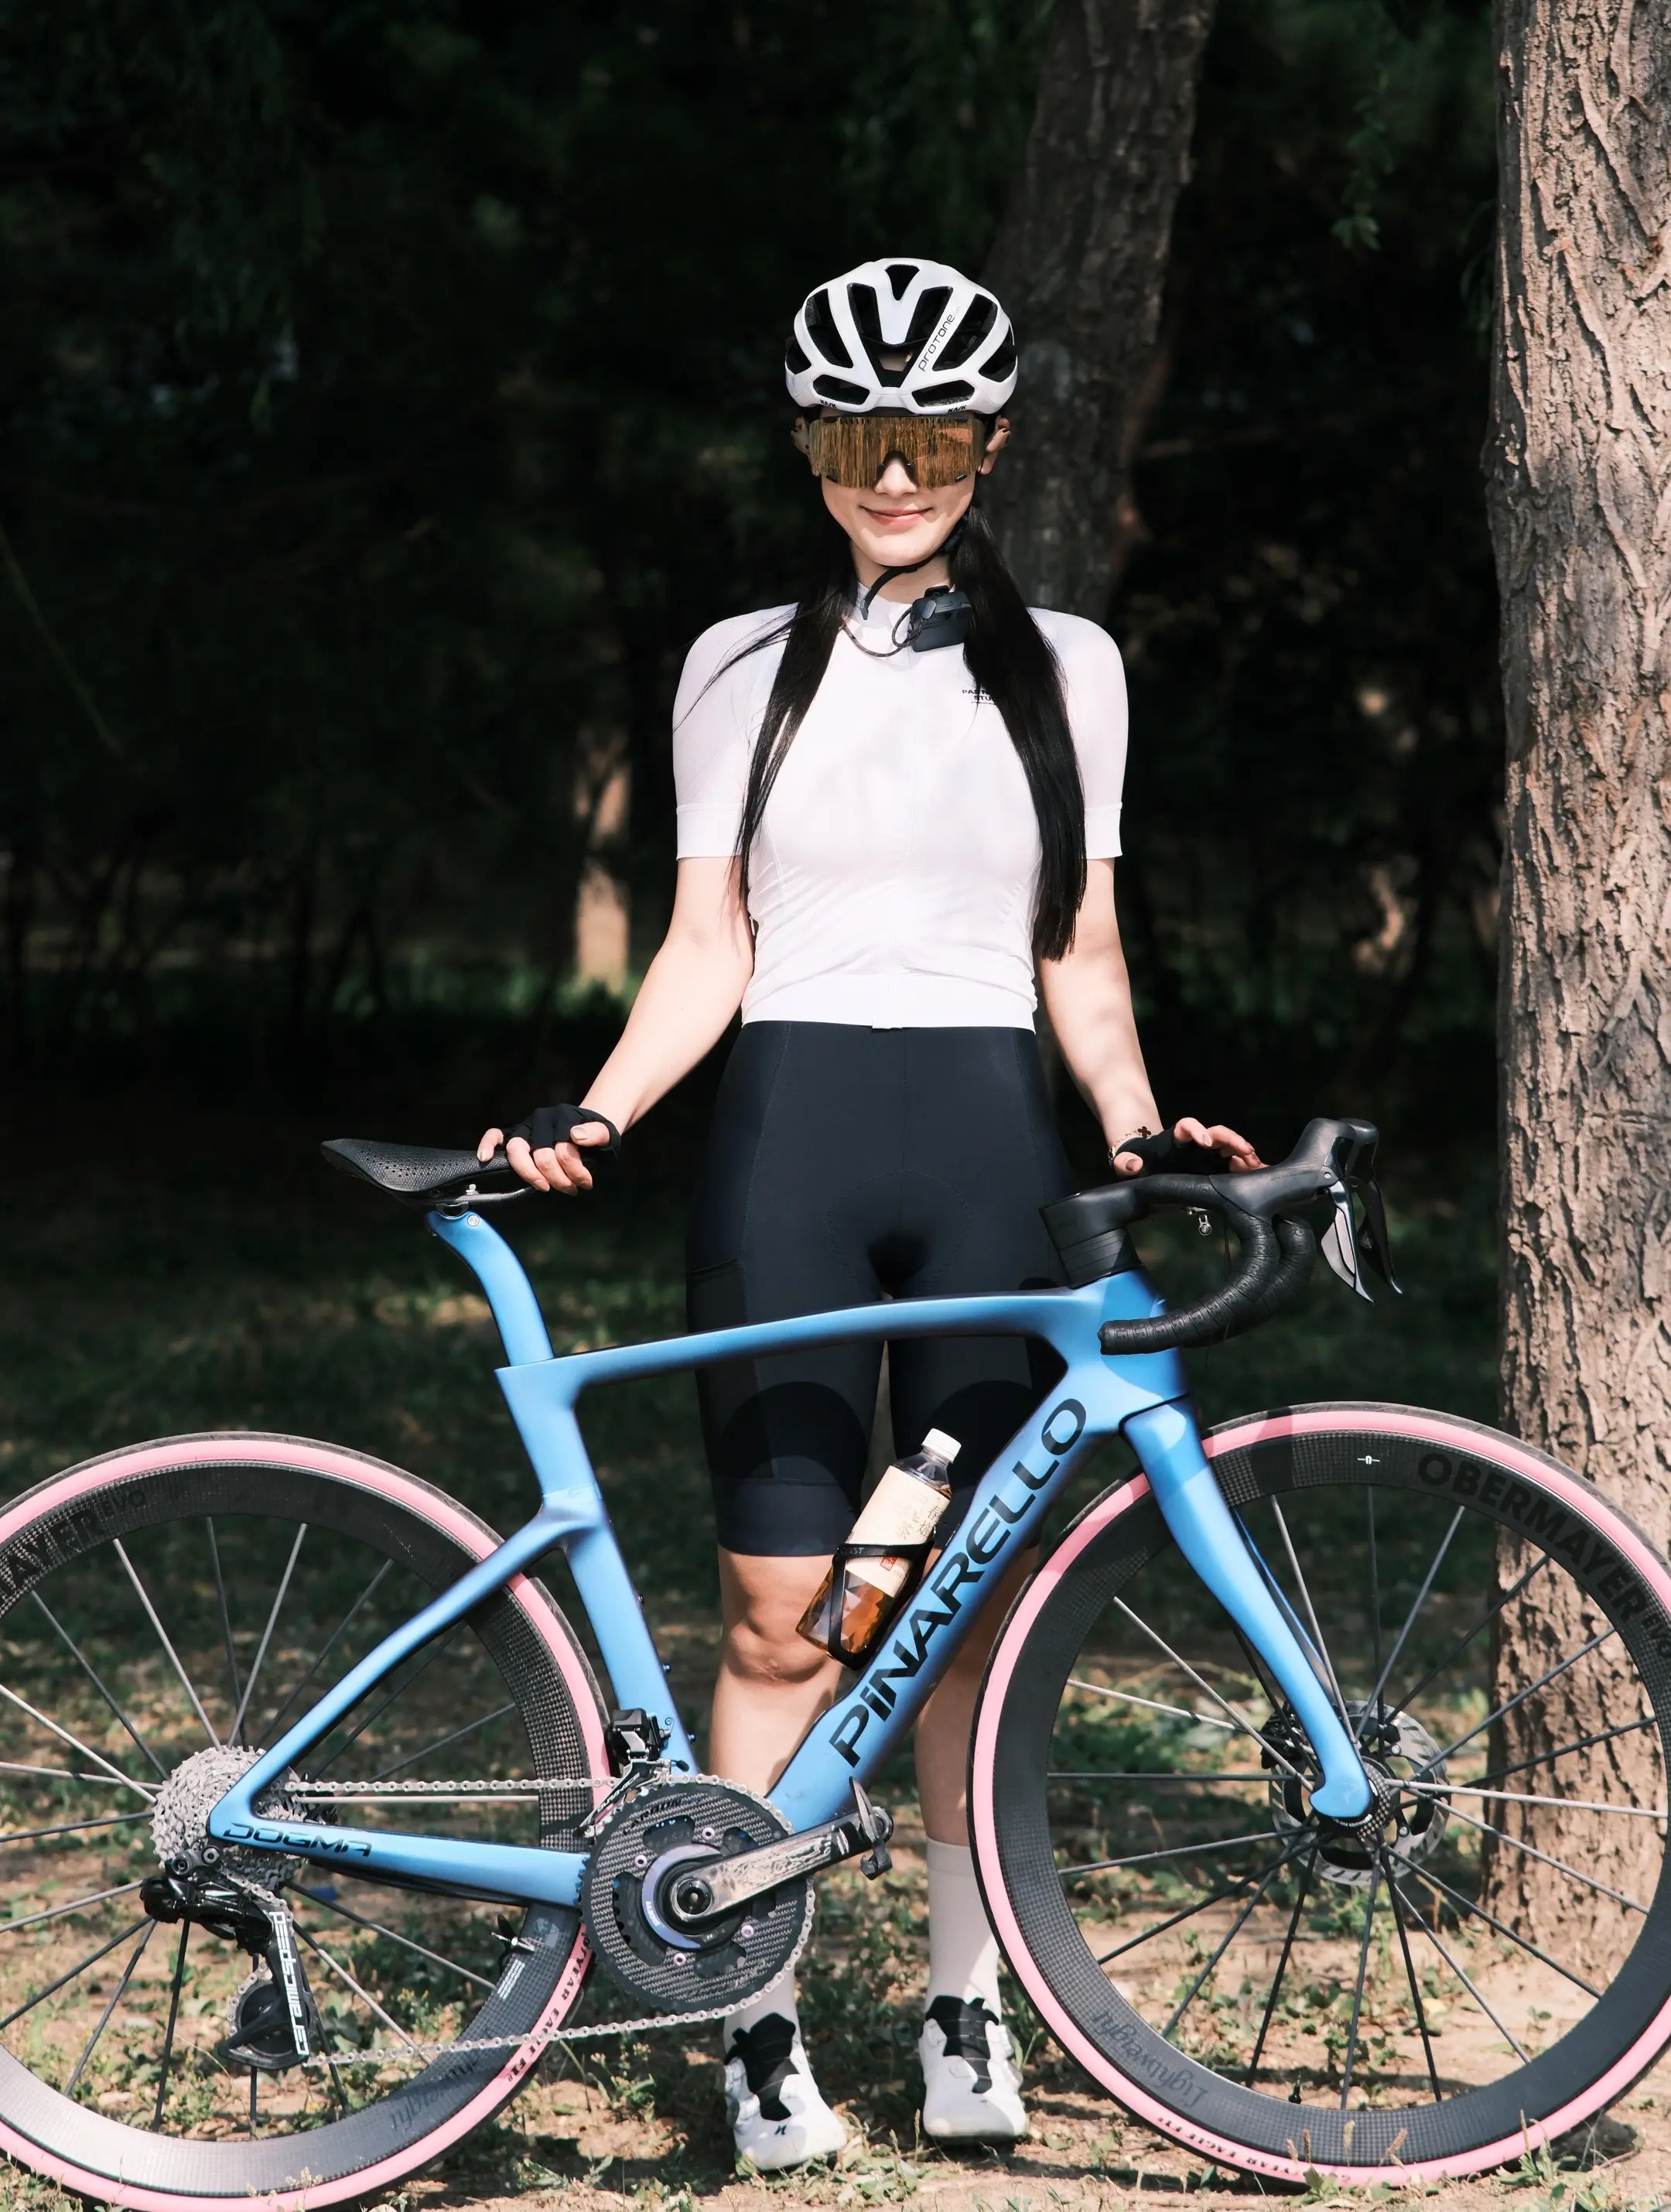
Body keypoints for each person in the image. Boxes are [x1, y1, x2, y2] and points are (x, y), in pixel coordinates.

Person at [479, 257, 1259, 2170]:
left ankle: (962, 2006)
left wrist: (1141, 1127)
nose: (891, 477)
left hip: (988, 1168)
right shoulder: (734, 665)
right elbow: (706, 944)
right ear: (808, 449)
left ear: (987, 446)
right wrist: (600, 1105)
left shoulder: (1072, 667)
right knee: (779, 1621)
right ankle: (750, 2028)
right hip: (792, 1163)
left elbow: (1081, 952)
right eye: (852, 440)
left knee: (949, 1609)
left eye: (926, 439)